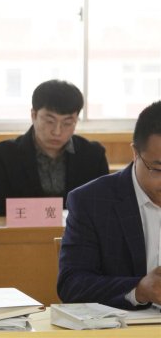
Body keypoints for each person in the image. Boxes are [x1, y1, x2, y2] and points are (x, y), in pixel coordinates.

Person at [58, 100, 161, 309]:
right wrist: (139, 289)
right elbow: (72, 285)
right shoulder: (91, 202)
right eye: (158, 169)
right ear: (135, 153)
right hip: (127, 322)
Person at [0, 80, 109, 216]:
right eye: (50, 121)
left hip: (77, 230)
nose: (57, 131)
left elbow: (103, 211)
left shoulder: (93, 156)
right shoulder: (5, 155)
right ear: (33, 115)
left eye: (67, 123)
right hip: (22, 230)